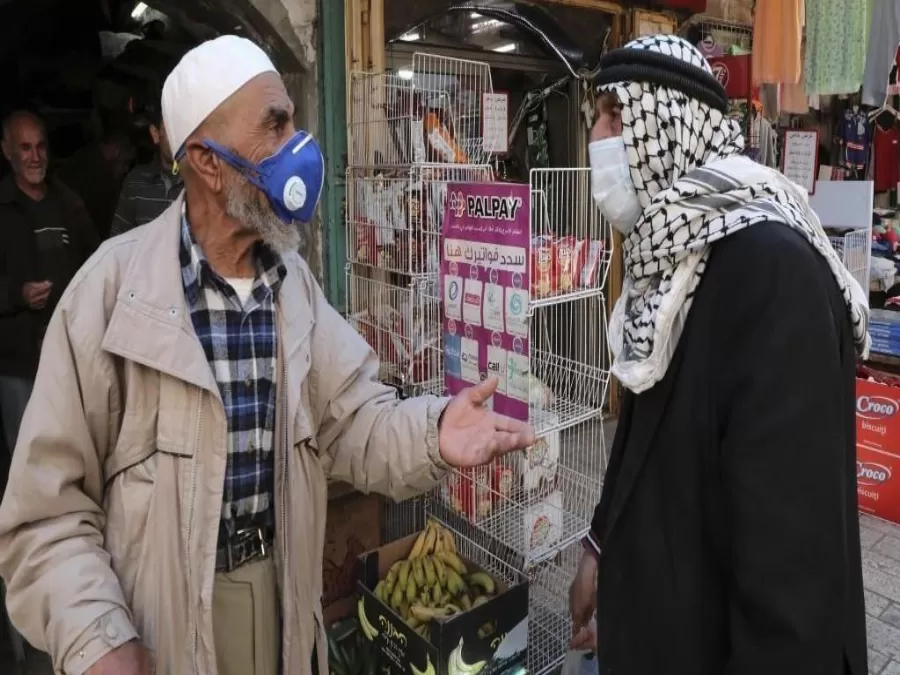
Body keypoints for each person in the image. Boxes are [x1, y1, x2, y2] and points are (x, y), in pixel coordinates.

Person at [0, 35, 534, 675]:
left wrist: (432, 431)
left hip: (282, 610)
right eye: (276, 126)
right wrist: (98, 638)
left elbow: (353, 421)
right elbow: (46, 518)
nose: (299, 146)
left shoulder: (293, 288)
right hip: (159, 629)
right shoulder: (110, 298)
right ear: (207, 161)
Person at [569, 35, 869, 675]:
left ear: (672, 129)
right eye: (597, 117)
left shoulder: (770, 272)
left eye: (616, 116)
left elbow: (791, 594)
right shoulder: (670, 261)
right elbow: (646, 434)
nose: (597, 137)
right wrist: (600, 544)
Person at [0, 110, 99, 453]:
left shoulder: (68, 202)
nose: (35, 156)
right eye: (25, 148)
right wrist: (18, 294)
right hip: (18, 362)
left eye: (41, 146)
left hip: (68, 354)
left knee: (72, 453)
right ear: (6, 151)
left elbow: (96, 265)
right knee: (25, 456)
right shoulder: (2, 207)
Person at [109, 93, 182, 237]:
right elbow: (119, 242)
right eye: (171, 128)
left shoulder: (203, 182)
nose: (179, 135)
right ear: (155, 133)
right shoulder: (135, 183)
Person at [55, 125, 134, 238]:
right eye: (125, 162)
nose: (126, 169)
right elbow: (108, 223)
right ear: (116, 151)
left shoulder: (85, 156)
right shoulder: (101, 174)